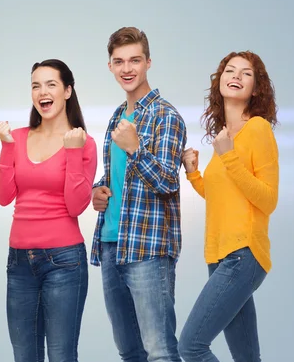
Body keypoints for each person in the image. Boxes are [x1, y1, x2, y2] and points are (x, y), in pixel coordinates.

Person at [90, 27, 187, 362]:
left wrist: (135, 149)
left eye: (134, 60)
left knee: (159, 351)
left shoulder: (166, 116)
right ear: (110, 66)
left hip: (148, 248)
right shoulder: (117, 117)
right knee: (130, 352)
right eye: (119, 61)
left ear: (148, 63)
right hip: (111, 244)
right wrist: (98, 192)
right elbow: (116, 176)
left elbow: (167, 182)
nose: (126, 68)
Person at [0, 59, 97, 362]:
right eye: (36, 85)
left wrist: (74, 152)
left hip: (64, 261)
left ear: (67, 91)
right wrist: (7, 147)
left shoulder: (83, 143)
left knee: (62, 356)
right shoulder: (20, 137)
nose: (42, 92)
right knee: (25, 356)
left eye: (51, 84)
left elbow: (77, 205)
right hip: (19, 262)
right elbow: (2, 196)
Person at [178, 51, 279, 362]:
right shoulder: (224, 137)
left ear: (256, 88)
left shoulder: (258, 129)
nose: (236, 76)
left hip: (243, 254)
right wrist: (194, 173)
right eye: (230, 70)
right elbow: (223, 195)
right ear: (219, 81)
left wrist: (230, 157)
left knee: (191, 347)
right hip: (220, 257)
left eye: (246, 73)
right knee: (247, 358)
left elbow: (268, 199)